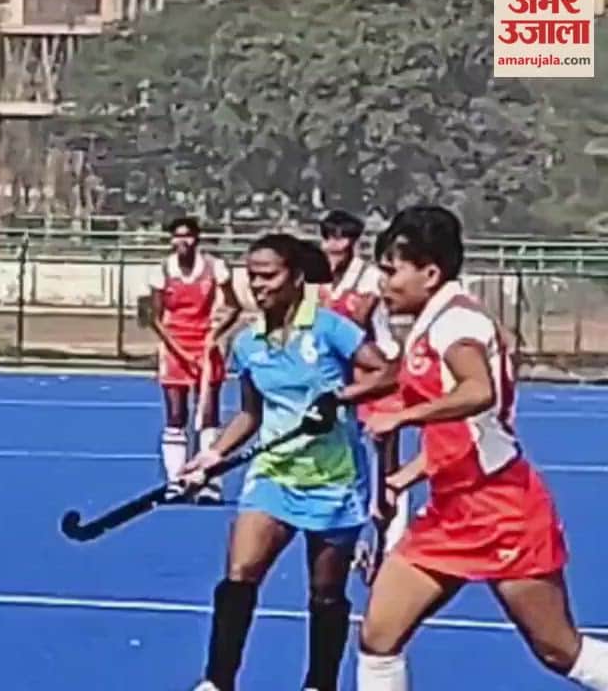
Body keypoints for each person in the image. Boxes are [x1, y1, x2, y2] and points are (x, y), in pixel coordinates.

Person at [357, 206, 608, 690]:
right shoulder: (431, 321)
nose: (383, 283)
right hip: (451, 509)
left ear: (430, 273)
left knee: (559, 649)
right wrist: (404, 477)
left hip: (500, 508)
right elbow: (463, 434)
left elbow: (478, 392)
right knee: (378, 637)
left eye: (392, 270)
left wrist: (401, 416)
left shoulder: (455, 324)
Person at [181, 234, 396, 691]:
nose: (258, 286)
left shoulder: (330, 328)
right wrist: (211, 455)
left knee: (325, 593)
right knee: (239, 576)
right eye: (252, 277)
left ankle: (319, 684)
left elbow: (388, 373)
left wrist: (339, 397)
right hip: (273, 475)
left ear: (296, 277)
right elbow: (251, 414)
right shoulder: (247, 343)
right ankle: (217, 682)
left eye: (269, 276)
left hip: (334, 479)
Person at [319, 210, 411, 565]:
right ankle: (355, 537)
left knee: (385, 459)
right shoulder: (320, 280)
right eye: (328, 237)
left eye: (341, 238)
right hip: (346, 376)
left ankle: (392, 541)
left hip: (379, 372)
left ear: (354, 243)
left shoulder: (369, 278)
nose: (334, 246)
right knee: (349, 458)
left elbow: (353, 325)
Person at [147, 216, 240, 503]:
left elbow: (234, 306)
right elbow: (154, 317)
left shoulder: (215, 268)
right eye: (177, 236)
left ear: (197, 239)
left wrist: (216, 335)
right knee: (176, 415)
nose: (182, 241)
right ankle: (176, 481)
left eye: (187, 236)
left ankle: (209, 481)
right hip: (174, 347)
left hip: (205, 346)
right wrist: (179, 350)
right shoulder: (162, 270)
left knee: (208, 415)